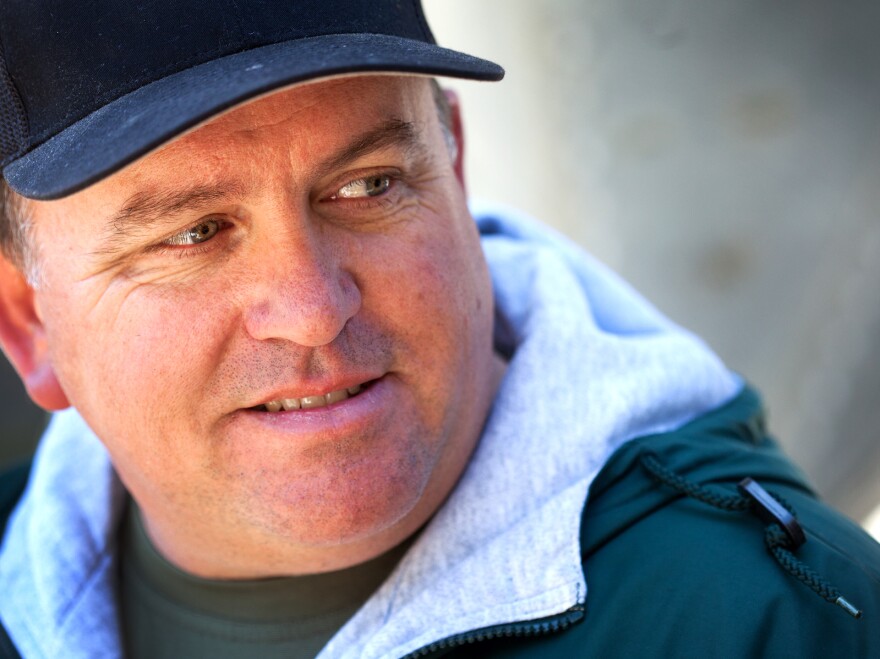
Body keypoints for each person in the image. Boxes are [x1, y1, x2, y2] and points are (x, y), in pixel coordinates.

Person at [0, 1, 877, 657]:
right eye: (194, 234)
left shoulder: (774, 624)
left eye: (369, 185)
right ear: (30, 323)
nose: (312, 307)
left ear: (453, 168)